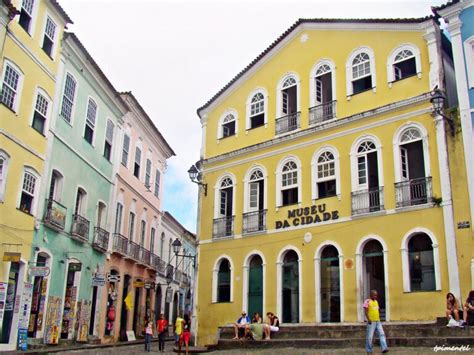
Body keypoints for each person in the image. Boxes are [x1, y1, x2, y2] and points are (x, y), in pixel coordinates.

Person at [363, 290, 389, 354]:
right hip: (371, 322)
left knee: (382, 334)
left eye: (376, 295)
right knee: (370, 337)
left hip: (378, 321)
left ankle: (384, 348)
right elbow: (365, 311)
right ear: (371, 295)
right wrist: (368, 319)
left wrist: (379, 316)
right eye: (374, 295)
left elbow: (378, 310)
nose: (375, 296)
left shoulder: (376, 302)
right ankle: (369, 350)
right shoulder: (367, 301)